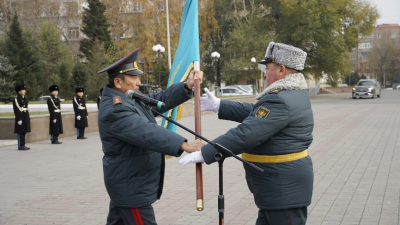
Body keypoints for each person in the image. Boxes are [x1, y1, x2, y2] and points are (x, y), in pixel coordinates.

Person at [180, 42, 314, 225]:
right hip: (278, 189)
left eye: (267, 68)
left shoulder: (281, 99)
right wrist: (220, 105)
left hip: (282, 189)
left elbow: (248, 133)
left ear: (281, 70)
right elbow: (257, 114)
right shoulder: (289, 94)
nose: (265, 74)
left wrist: (206, 153)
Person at [97, 48, 204, 225]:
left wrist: (187, 85)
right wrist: (183, 145)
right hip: (131, 186)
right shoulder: (114, 109)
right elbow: (144, 130)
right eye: (134, 78)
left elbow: (157, 100)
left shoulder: (128, 98)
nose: (139, 82)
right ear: (118, 82)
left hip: (127, 183)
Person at [13, 84, 31, 150]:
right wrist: (19, 119)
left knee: (24, 131)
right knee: (21, 132)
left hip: (25, 116)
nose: (24, 91)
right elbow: (17, 110)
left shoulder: (25, 98)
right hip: (20, 116)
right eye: (22, 90)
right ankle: (20, 146)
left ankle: (23, 145)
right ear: (19, 91)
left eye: (24, 90)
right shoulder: (16, 99)